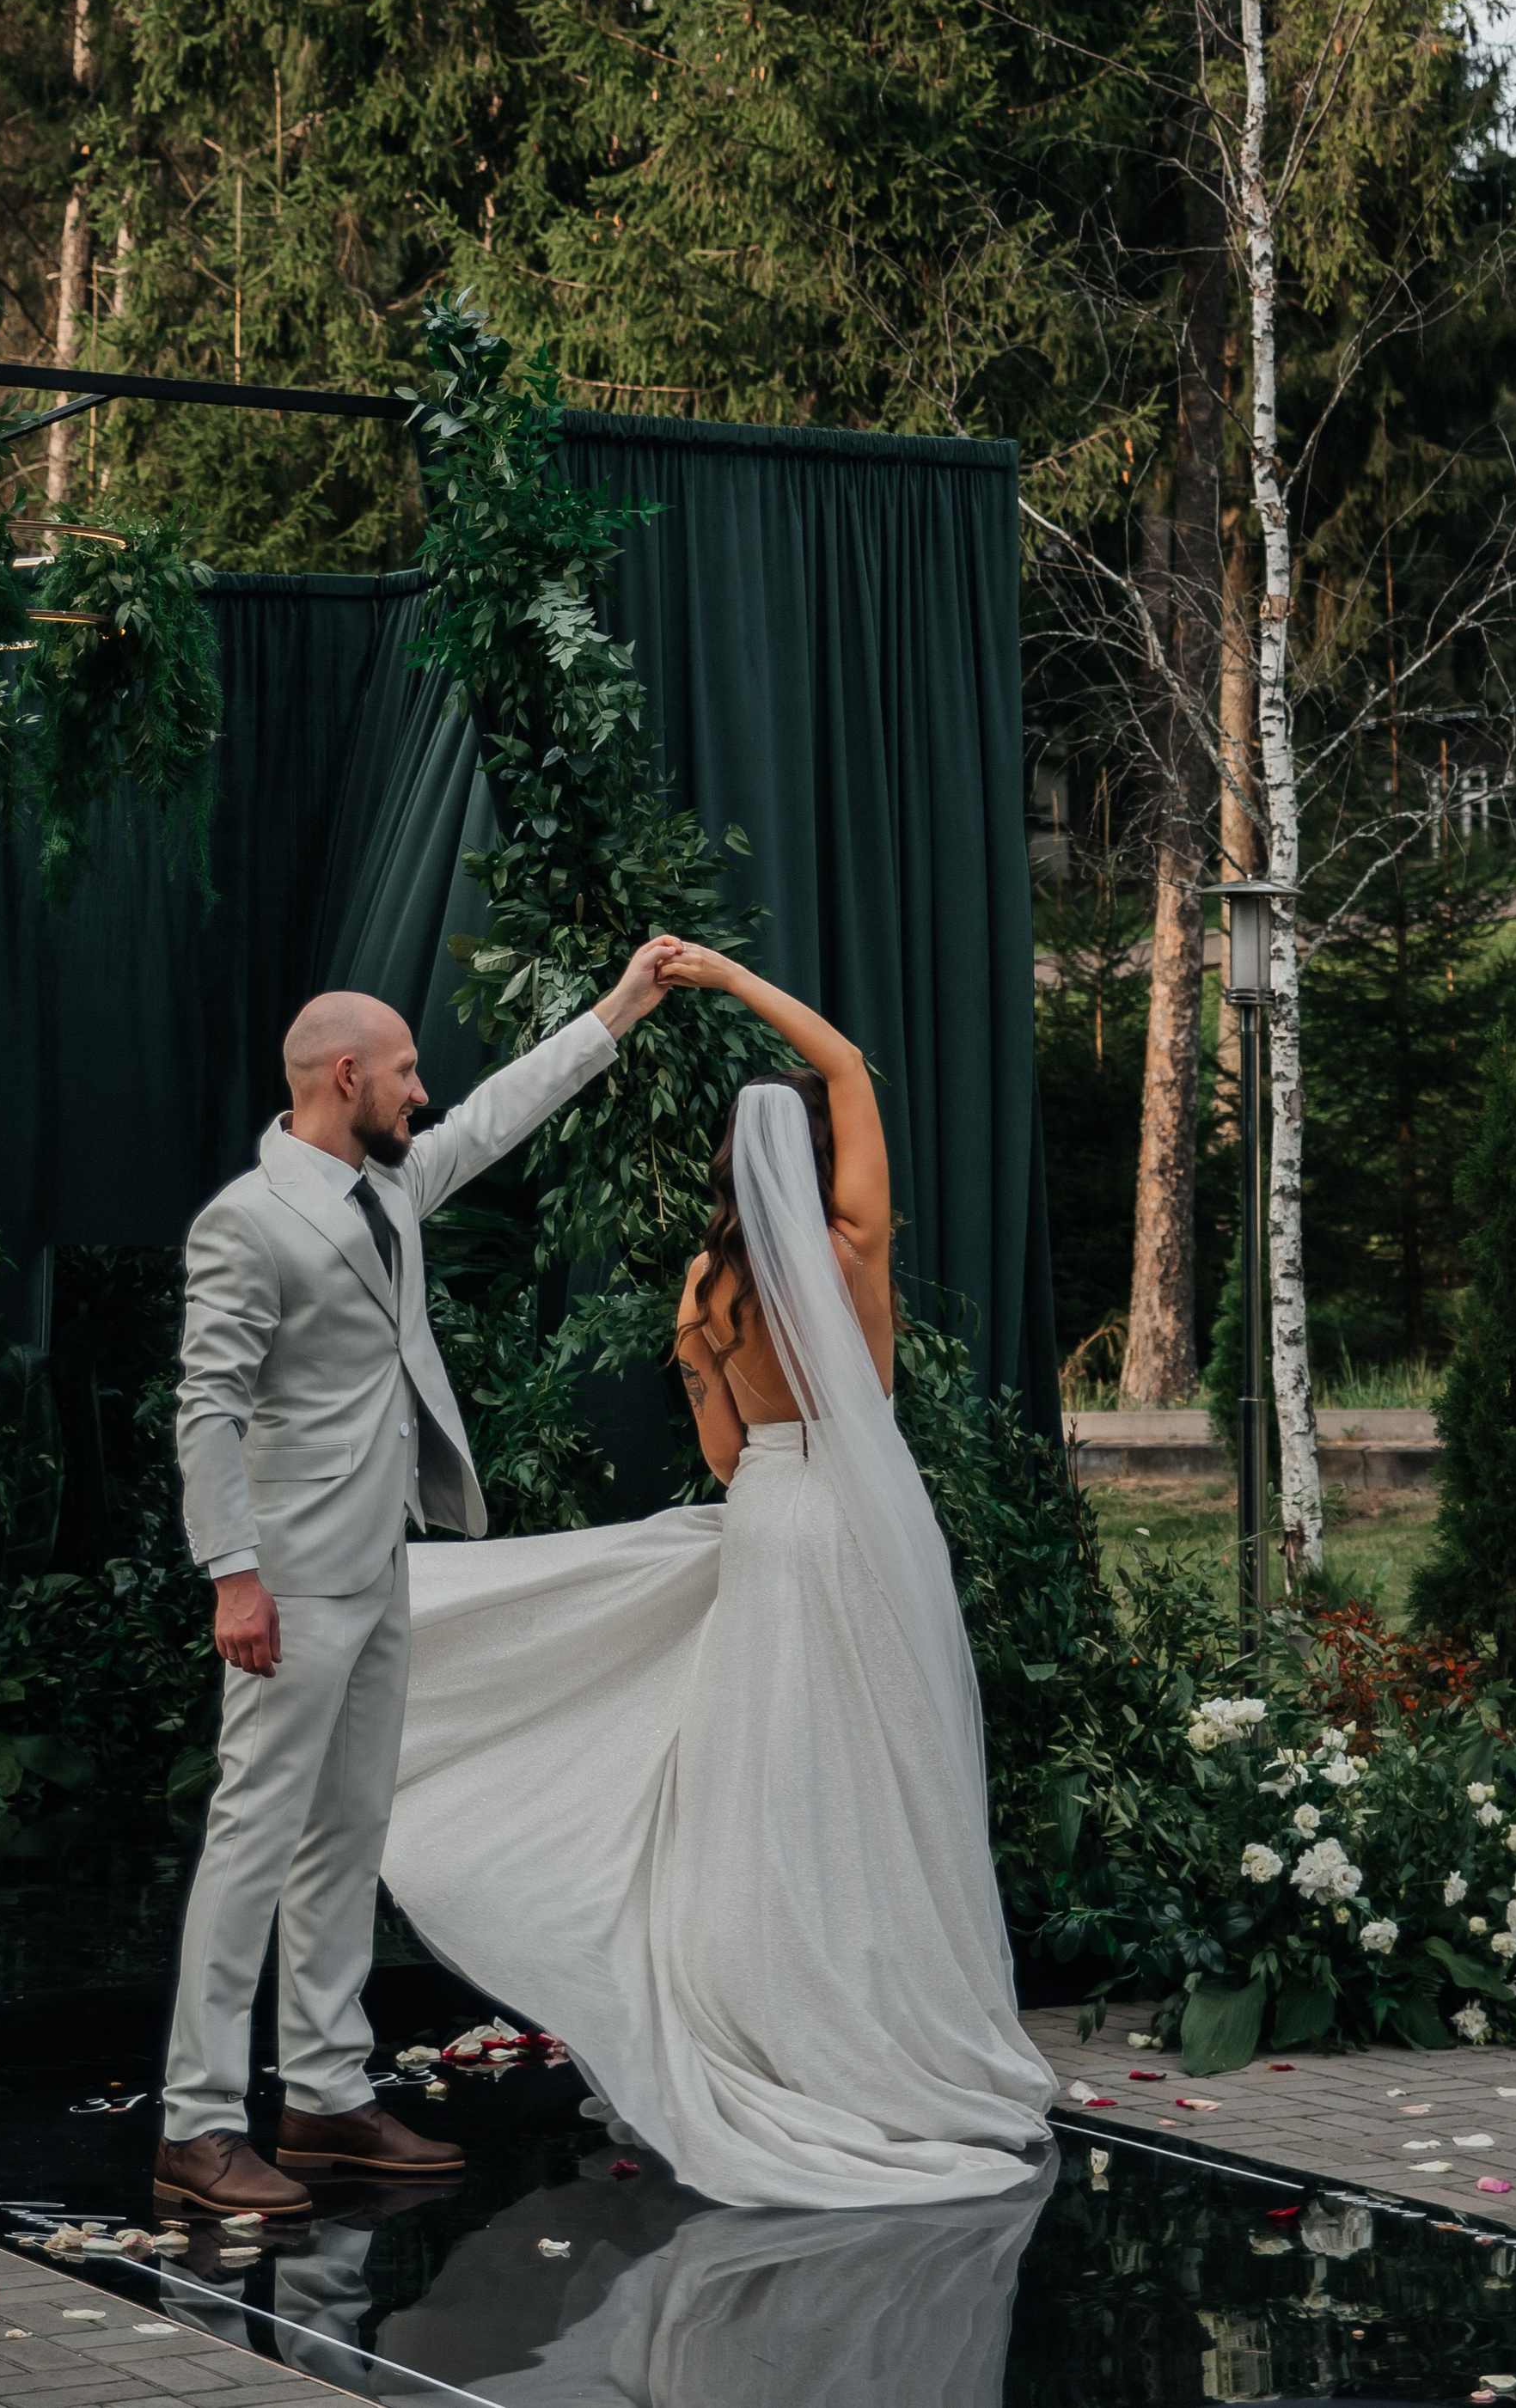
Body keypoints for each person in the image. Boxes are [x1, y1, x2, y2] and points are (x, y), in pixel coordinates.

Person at [383, 946, 1056, 2209]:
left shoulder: (704, 1291)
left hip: (765, 1517)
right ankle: (888, 2018)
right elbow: (848, 1061)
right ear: (814, 1166)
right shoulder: (855, 1253)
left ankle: (752, 2015)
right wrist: (731, 978)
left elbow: (720, 1453)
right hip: (859, 1517)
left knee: (763, 1779)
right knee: (879, 1774)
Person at [155, 939, 679, 2224]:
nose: (423, 1088)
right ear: (344, 1075)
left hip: (381, 1562)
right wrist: (232, 1577)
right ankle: (197, 2122)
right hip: (287, 1578)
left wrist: (615, 1008)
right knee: (252, 1841)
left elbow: (499, 1112)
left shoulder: (388, 1187)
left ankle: (326, 2096)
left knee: (347, 1833)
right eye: (402, 1070)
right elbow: (205, 1408)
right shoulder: (246, 1219)